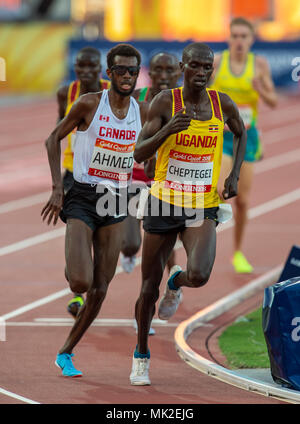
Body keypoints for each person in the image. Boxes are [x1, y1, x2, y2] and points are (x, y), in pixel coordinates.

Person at [129, 42, 247, 385]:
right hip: (164, 202)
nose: (201, 72)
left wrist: (234, 174)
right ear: (183, 66)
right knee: (147, 288)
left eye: (207, 67)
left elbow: (241, 133)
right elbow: (139, 153)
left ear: (212, 70)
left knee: (199, 274)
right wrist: (168, 130)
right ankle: (140, 354)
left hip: (202, 203)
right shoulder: (165, 102)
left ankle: (176, 281)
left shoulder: (221, 103)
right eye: (194, 66)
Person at [41, 43, 147, 377]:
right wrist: (58, 188)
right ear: (109, 73)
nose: (127, 76)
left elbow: (153, 146)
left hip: (115, 198)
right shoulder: (89, 103)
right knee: (82, 282)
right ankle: (75, 266)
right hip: (83, 195)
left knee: (101, 289)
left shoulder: (141, 111)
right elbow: (52, 139)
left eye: (133, 70)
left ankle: (66, 351)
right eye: (121, 70)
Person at [211, 17, 277, 273]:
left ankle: (237, 253)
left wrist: (261, 90)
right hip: (222, 136)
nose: (239, 41)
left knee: (243, 201)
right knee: (219, 189)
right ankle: (206, 242)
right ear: (229, 38)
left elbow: (272, 102)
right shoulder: (218, 62)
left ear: (251, 40)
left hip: (247, 139)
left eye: (244, 36)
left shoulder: (258, 65)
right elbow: (199, 92)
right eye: (235, 36)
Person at [56, 46, 110, 317]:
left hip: (102, 174)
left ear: (100, 68)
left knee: (99, 233)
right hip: (73, 171)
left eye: (92, 66)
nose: (86, 71)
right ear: (75, 67)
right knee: (78, 229)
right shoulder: (67, 92)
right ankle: (78, 295)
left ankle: (83, 276)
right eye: (81, 66)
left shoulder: (110, 92)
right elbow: (59, 127)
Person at [120, 52, 181, 275]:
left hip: (165, 182)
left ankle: (173, 284)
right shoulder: (135, 99)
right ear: (149, 72)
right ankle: (127, 249)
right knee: (131, 244)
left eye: (169, 70)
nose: (163, 75)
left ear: (179, 73)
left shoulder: (185, 102)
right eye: (158, 70)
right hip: (132, 180)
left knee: (164, 241)